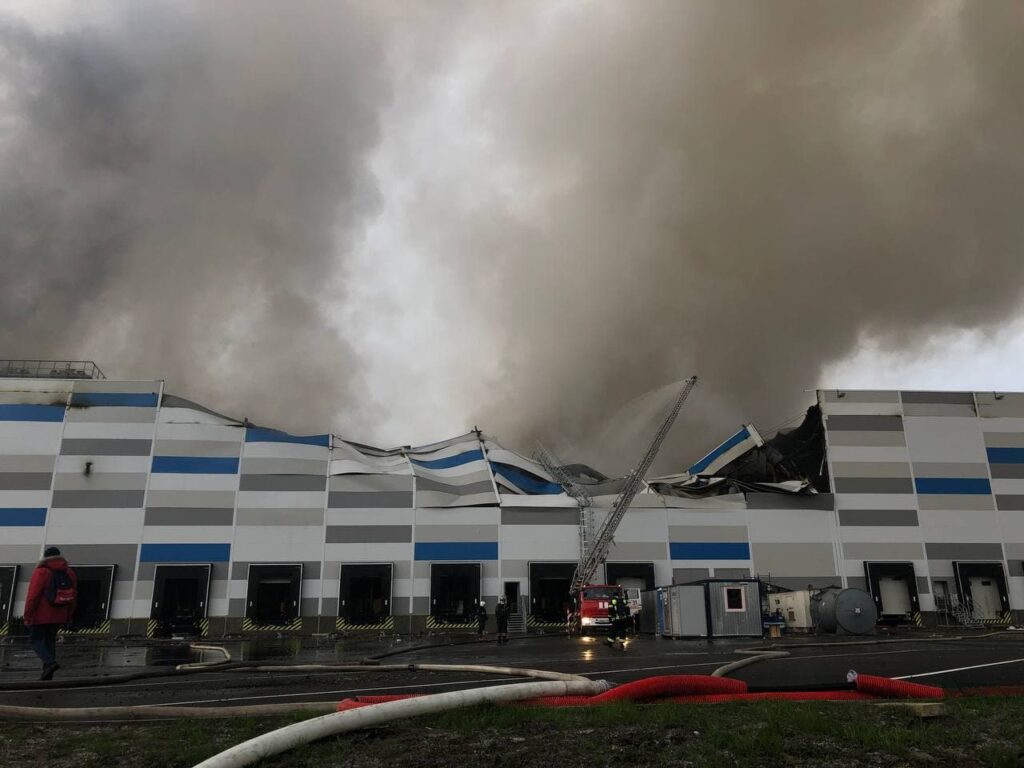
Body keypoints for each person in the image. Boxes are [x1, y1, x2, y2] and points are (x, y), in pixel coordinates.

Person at [23, 546, 77, 680]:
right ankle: (48, 674)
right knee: (50, 641)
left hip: (41, 614)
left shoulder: (41, 571)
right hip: (60, 613)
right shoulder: (69, 572)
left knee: (35, 640)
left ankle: (49, 663)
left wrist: (28, 615)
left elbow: (33, 596)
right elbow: (74, 596)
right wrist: (68, 615)